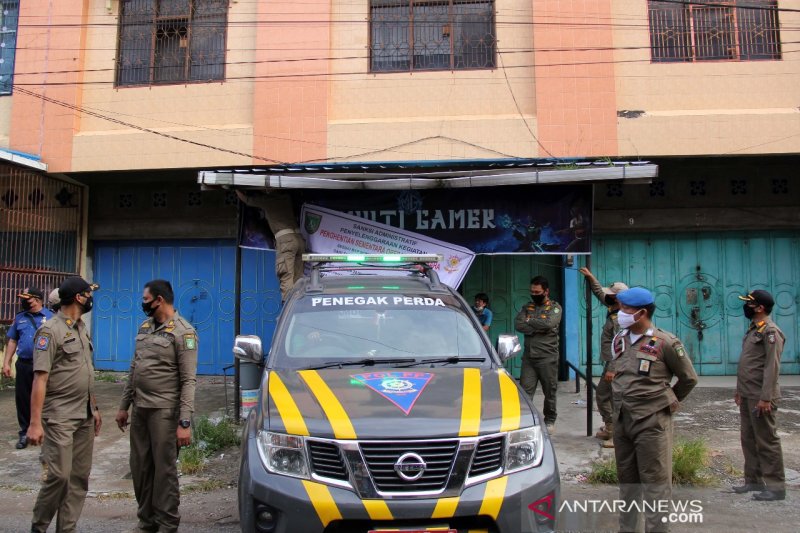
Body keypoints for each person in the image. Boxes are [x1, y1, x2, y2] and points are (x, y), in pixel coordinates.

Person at [611, 287, 698, 532]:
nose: (621, 313)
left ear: (641, 313)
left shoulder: (665, 342)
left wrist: (666, 402)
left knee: (655, 485)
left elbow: (689, 378)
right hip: (622, 419)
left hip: (652, 422)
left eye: (625, 309)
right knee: (627, 484)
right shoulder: (620, 338)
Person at [115, 279, 198, 533]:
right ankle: (147, 521)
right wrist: (123, 405)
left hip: (165, 413)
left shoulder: (184, 332)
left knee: (164, 472)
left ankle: (167, 523)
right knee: (140, 468)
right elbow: (134, 368)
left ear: (159, 300)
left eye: (145, 300)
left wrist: (184, 423)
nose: (143, 304)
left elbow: (188, 380)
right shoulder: (145, 327)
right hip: (140, 409)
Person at [28, 276, 102, 533]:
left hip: (84, 416)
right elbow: (40, 378)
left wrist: (94, 408)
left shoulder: (81, 327)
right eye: (88, 294)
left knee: (78, 478)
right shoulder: (50, 331)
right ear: (79, 297)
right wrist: (35, 423)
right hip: (59, 416)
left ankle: (66, 529)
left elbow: (85, 371)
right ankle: (39, 527)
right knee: (58, 477)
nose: (91, 298)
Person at [732, 290, 786, 501]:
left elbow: (771, 367)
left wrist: (766, 397)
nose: (746, 307)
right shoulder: (755, 329)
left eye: (750, 304)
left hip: (761, 395)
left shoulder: (771, 331)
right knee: (749, 439)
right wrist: (739, 390)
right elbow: (748, 364)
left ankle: (776, 486)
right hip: (748, 393)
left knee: (766, 440)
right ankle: (753, 480)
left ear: (760, 308)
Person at [579, 267, 628, 447]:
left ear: (618, 298)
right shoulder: (614, 307)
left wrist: (612, 369)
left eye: (611, 294)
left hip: (616, 365)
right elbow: (600, 293)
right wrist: (591, 277)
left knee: (607, 396)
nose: (607, 296)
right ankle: (610, 427)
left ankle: (615, 432)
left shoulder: (620, 318)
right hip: (612, 362)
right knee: (607, 396)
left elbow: (621, 344)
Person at [3, 288, 53, 449]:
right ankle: (25, 432)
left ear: (37, 299)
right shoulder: (20, 318)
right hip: (25, 364)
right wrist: (6, 362)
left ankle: (47, 431)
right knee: (23, 399)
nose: (24, 301)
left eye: (27, 298)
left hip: (45, 365)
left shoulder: (51, 317)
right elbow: (12, 341)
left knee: (46, 398)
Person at [236, 189, 306, 302]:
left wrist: (235, 189)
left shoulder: (268, 200)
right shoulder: (286, 198)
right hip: (299, 239)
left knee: (286, 275)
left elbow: (247, 200)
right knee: (298, 278)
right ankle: (299, 305)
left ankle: (288, 307)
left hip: (286, 241)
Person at [514, 276, 562, 432]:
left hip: (547, 357)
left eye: (537, 291)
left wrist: (530, 321)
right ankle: (526, 420)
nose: (534, 294)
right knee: (525, 392)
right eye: (532, 291)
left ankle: (550, 420)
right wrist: (538, 327)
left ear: (546, 291)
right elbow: (518, 324)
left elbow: (549, 323)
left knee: (550, 391)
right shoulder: (527, 307)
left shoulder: (555, 308)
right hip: (529, 358)